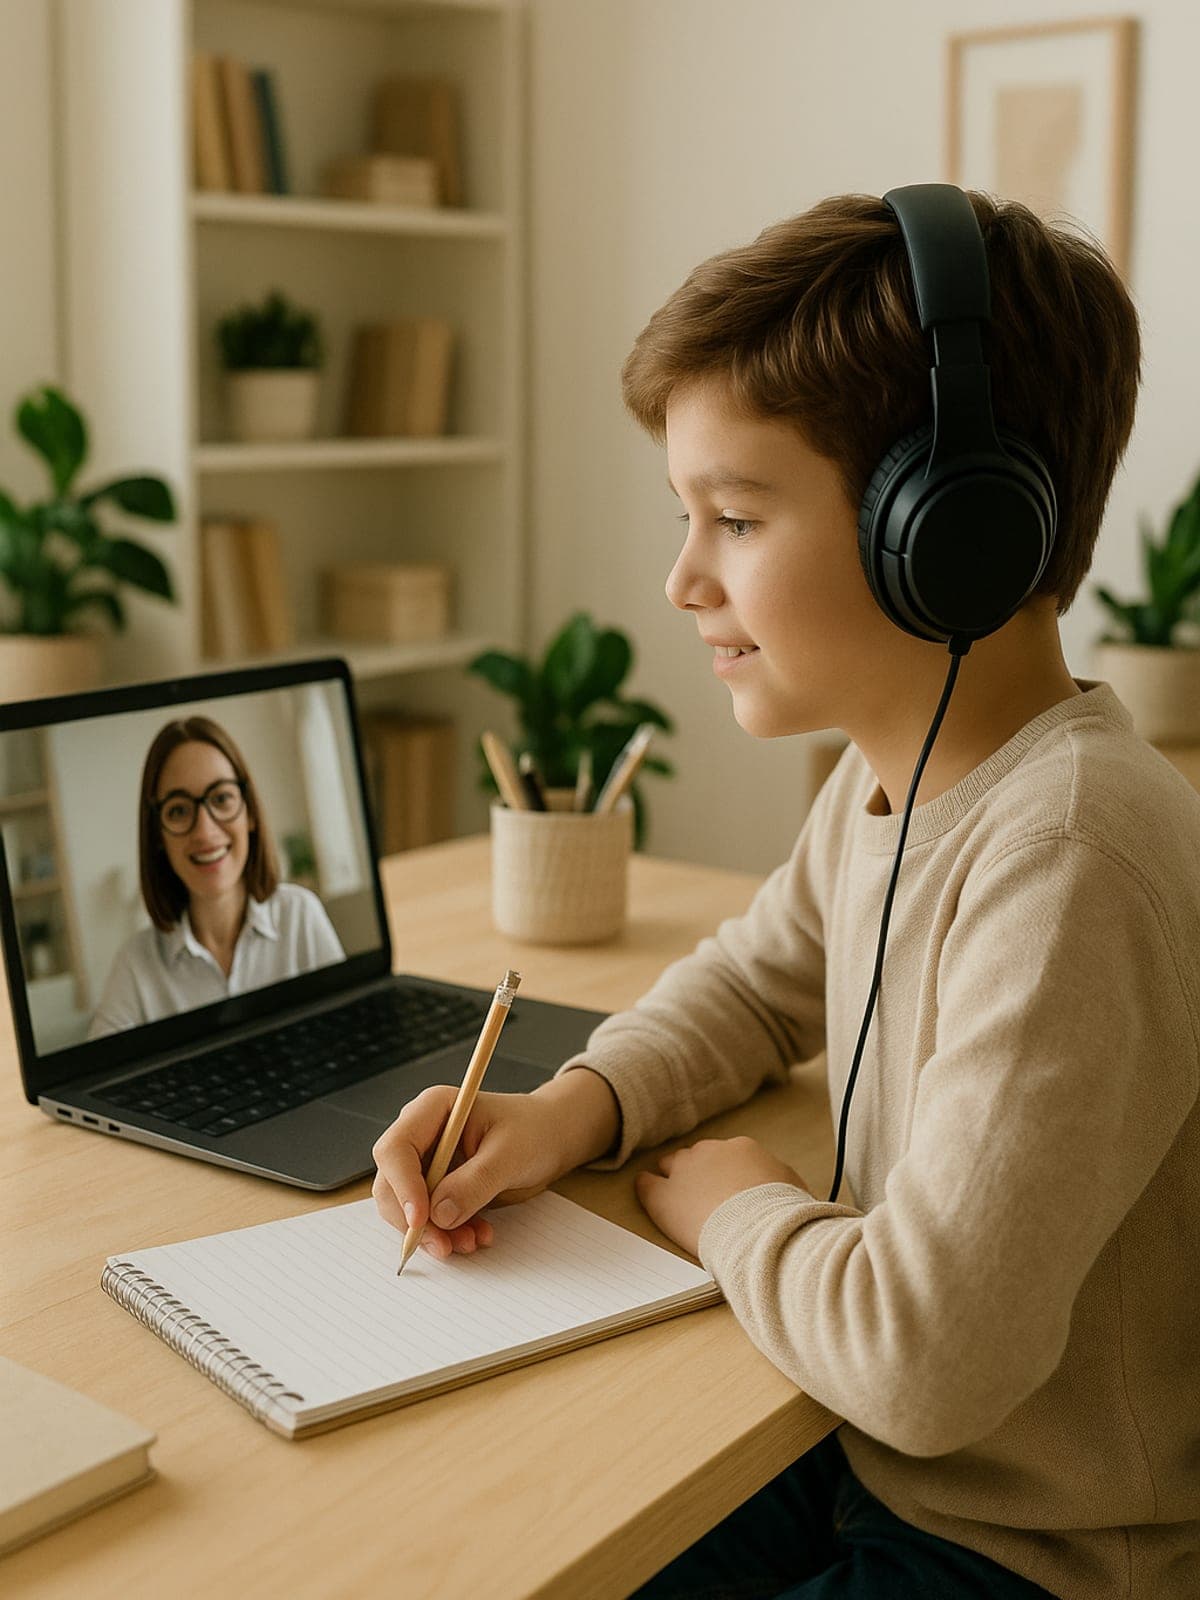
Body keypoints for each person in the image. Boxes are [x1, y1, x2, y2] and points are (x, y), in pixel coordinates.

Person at [371, 187, 1200, 1599]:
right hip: (878, 1462)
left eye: (736, 519)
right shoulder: (892, 782)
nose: (683, 577)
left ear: (948, 534)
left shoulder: (1067, 858)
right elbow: (758, 982)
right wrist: (568, 1110)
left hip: (1033, 1551)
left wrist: (732, 1207)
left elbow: (925, 1357)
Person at [90, 715, 344, 1037]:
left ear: (249, 811)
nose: (205, 831)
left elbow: (345, 1036)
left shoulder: (301, 916)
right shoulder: (136, 964)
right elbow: (96, 1083)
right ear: (157, 835)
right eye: (179, 810)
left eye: (221, 798)